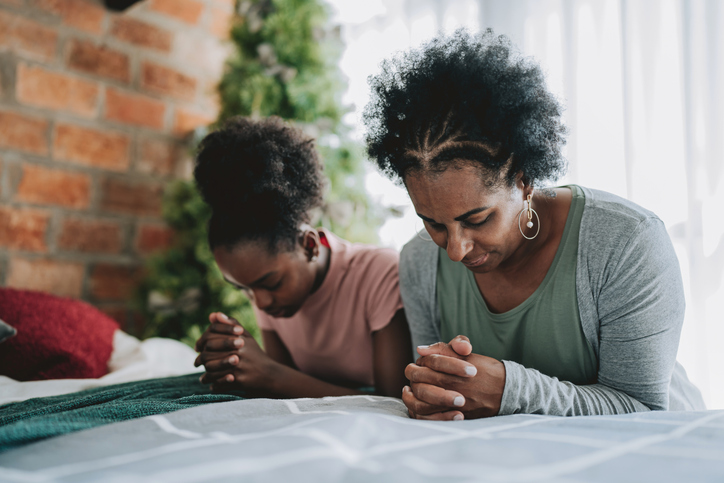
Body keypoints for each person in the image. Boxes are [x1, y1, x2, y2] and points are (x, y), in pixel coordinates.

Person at [363, 29, 705, 420]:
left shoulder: (625, 242)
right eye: (433, 223)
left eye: (476, 219)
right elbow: (438, 391)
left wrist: (510, 389)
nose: (455, 249)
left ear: (524, 181)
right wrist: (438, 392)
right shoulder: (419, 261)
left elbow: (642, 408)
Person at [192, 116, 411, 398]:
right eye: (244, 289)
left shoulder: (380, 274)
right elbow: (288, 389)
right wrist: (240, 358)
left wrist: (270, 375)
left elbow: (393, 400)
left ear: (309, 246)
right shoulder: (273, 296)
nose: (261, 302)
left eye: (270, 284)